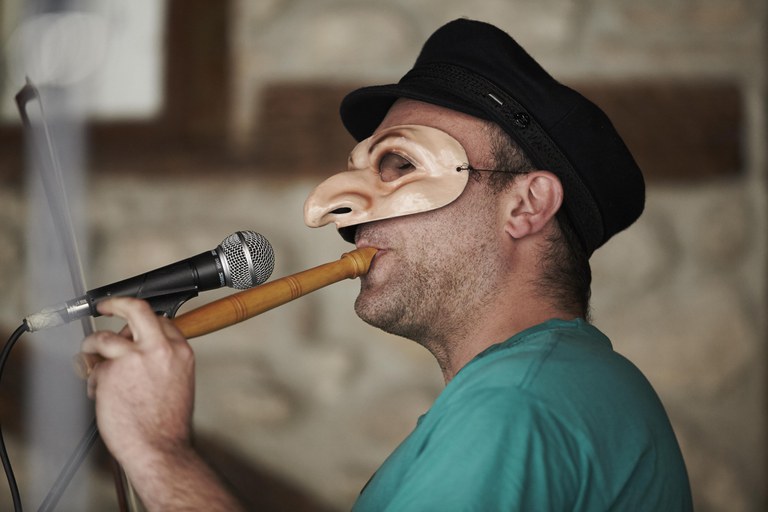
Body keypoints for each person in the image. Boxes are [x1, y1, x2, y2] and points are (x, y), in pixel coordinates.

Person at [81, 18, 693, 511]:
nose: (333, 211)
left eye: (400, 165)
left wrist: (159, 453)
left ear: (526, 205)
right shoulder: (556, 386)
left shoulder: (516, 405)